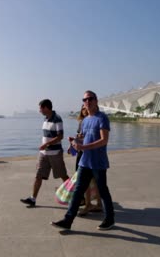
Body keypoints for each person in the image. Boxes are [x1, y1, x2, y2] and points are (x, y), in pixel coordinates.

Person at [51, 90, 115, 230]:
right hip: (84, 162)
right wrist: (74, 142)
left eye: (90, 99)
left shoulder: (102, 118)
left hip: (98, 163)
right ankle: (68, 221)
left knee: (103, 191)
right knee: (78, 192)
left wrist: (83, 146)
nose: (87, 101)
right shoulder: (85, 120)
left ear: (96, 100)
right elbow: (84, 138)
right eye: (85, 100)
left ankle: (110, 219)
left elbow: (104, 141)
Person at [20, 99, 69, 207]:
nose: (39, 110)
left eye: (40, 108)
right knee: (38, 175)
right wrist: (44, 146)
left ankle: (77, 196)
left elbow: (60, 136)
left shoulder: (57, 119)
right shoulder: (45, 119)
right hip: (44, 154)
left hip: (55, 153)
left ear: (46, 107)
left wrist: (46, 144)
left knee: (63, 175)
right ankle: (33, 199)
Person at [70, 106, 102, 215]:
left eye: (86, 108)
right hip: (83, 154)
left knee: (87, 182)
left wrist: (77, 141)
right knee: (91, 182)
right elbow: (80, 137)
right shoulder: (83, 122)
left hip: (87, 155)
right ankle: (95, 204)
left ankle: (90, 204)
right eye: (83, 108)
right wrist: (73, 144)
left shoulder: (95, 120)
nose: (85, 110)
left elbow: (91, 139)